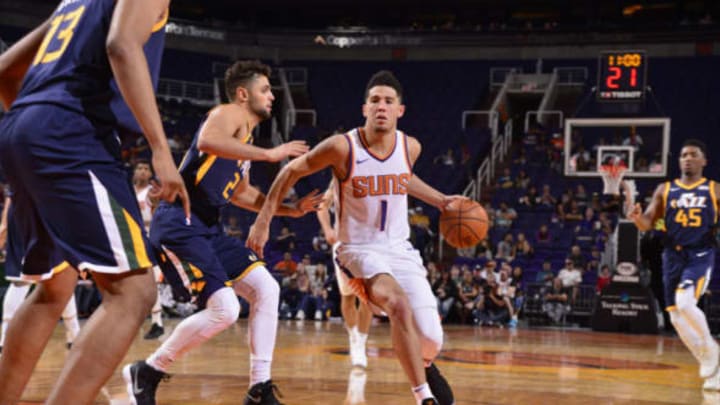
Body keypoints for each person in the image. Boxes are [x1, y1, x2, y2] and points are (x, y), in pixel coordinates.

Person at [0, 1, 189, 402]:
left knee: (55, 287)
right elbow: (122, 45)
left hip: (22, 128)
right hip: (72, 132)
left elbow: (4, 72)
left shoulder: (74, 2)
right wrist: (161, 149)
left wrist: (34, 127)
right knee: (134, 292)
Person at [247, 70, 457, 405]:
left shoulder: (410, 146)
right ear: (364, 108)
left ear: (400, 110)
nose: (381, 107)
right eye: (375, 100)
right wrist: (264, 218)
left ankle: (426, 365)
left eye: (389, 101)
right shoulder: (342, 147)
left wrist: (442, 200)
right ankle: (423, 396)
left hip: (399, 249)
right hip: (357, 250)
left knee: (431, 339)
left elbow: (403, 179)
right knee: (398, 304)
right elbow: (291, 170)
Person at [122, 60, 320, 405]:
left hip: (207, 228)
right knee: (225, 309)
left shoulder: (245, 136)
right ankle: (148, 370)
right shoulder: (228, 114)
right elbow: (211, 140)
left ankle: (259, 388)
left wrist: (290, 209)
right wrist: (269, 154)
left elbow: (242, 193)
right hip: (179, 225)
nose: (272, 96)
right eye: (264, 90)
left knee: (266, 288)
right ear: (243, 95)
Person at [626, 139, 720, 390]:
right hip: (671, 256)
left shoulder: (714, 189)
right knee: (676, 318)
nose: (687, 158)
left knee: (685, 302)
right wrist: (637, 218)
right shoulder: (664, 190)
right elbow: (648, 222)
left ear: (704, 160)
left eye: (693, 154)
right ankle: (715, 372)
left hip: (700, 253)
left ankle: (711, 350)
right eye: (683, 154)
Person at [0, 195, 80, 352]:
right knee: (24, 280)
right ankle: (74, 335)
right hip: (35, 210)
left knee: (59, 277)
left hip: (42, 209)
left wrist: (3, 226)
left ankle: (74, 334)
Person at [317, 178, 372, 368]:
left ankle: (361, 345)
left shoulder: (375, 176)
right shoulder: (340, 176)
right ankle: (353, 336)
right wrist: (327, 230)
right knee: (348, 296)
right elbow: (322, 206)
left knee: (367, 298)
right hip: (344, 243)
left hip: (370, 243)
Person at [133, 159, 165, 340]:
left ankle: (157, 321)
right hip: (133, 238)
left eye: (146, 168)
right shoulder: (129, 191)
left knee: (153, 280)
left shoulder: (152, 191)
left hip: (150, 238)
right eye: (140, 168)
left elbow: (158, 215)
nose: (143, 171)